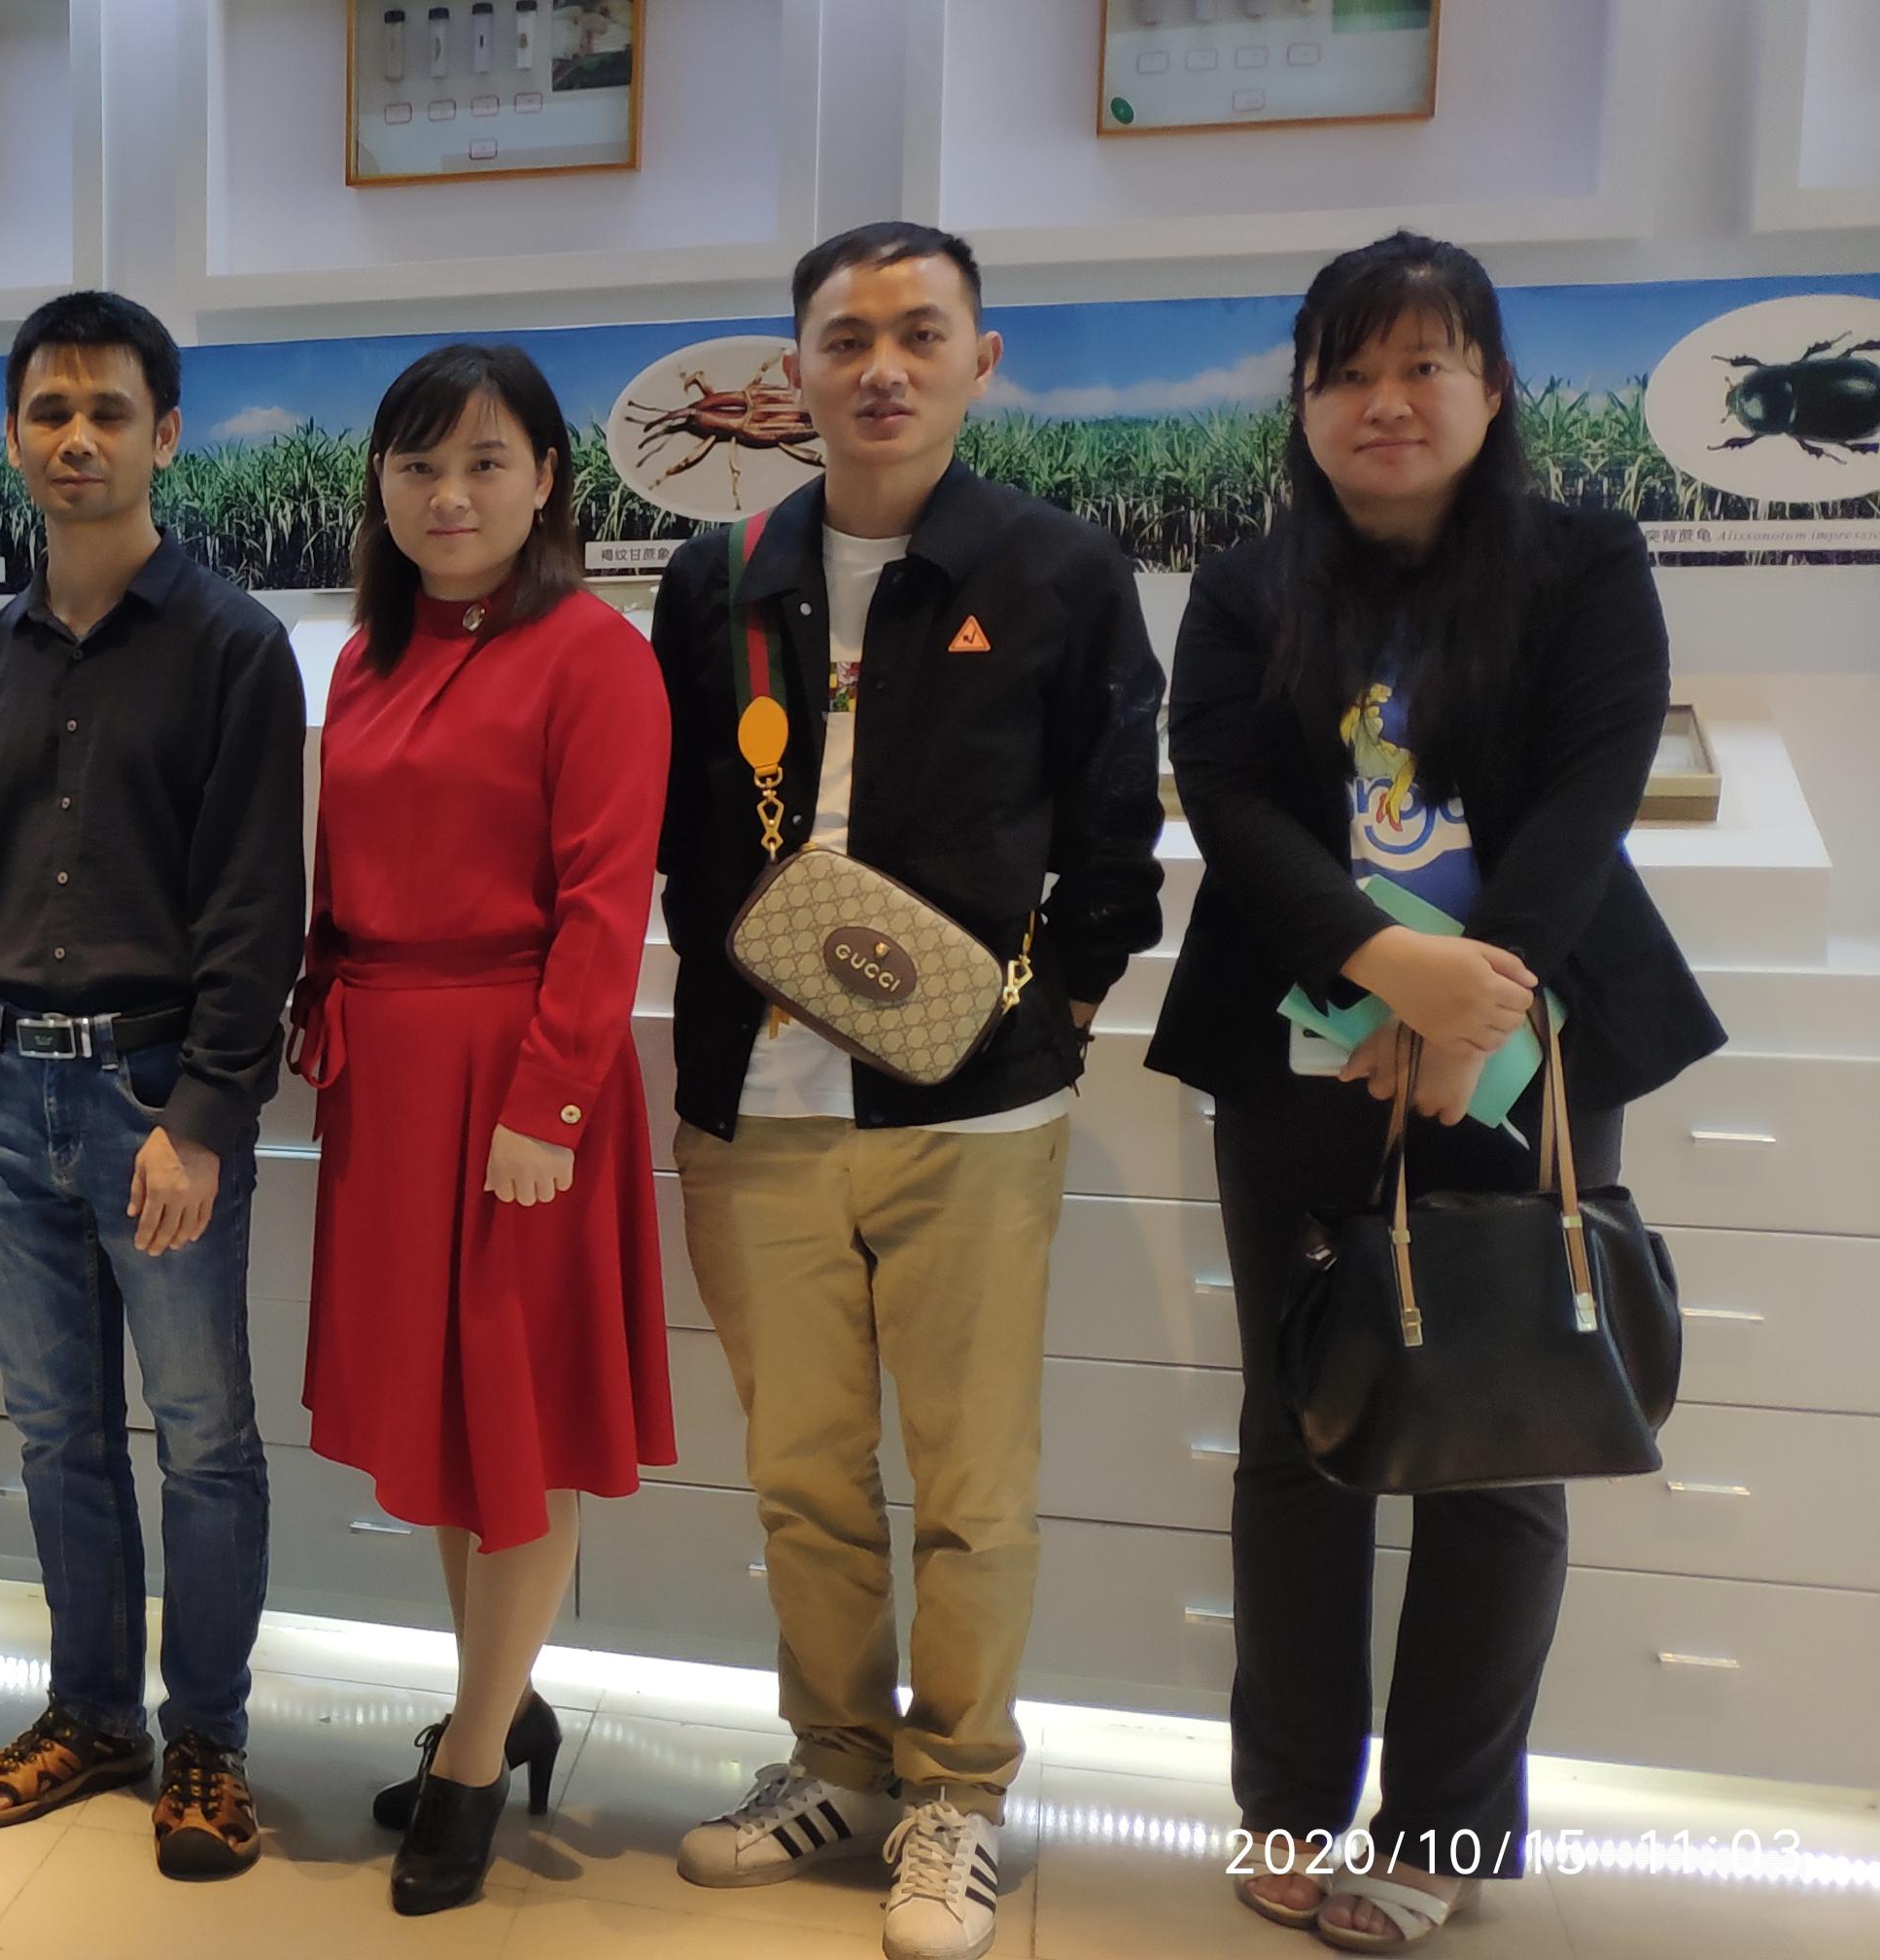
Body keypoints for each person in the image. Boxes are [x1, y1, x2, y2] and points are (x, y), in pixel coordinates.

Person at [1152, 231, 1722, 1954]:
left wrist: (1480, 1002)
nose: (1384, 403)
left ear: (1491, 386)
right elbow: (1228, 797)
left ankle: (1442, 1835)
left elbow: (1592, 787)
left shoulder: (1581, 561)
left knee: (1497, 1437)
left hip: (1533, 1045)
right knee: (1296, 1432)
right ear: (1304, 401)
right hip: (1300, 1039)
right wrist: (1387, 970)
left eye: (1424, 365)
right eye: (1346, 373)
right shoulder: (1249, 584)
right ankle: (1289, 1807)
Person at [646, 222, 1166, 1960]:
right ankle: (834, 1761)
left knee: (971, 1482)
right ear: (793, 367)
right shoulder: (719, 575)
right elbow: (682, 834)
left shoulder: (1058, 570)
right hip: (755, 1104)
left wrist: (1051, 1024)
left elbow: (1113, 840)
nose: (881, 367)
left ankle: (958, 1793)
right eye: (846, 336)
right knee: (798, 1471)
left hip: (975, 1112)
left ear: (978, 360)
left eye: (919, 334)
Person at [0, 292, 304, 1876]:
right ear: (13, 439)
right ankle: (91, 1714)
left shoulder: (233, 649)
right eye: (50, 411)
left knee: (202, 1434)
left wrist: (203, 1119)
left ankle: (206, 1738)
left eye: (109, 411)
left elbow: (258, 906)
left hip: (154, 1099)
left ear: (166, 435)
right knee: (58, 1433)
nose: (78, 438)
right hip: (5, 1102)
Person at [293, 341, 674, 1915]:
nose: (449, 495)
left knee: (515, 1418)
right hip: (389, 1080)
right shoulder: (364, 661)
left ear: (547, 481)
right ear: (381, 488)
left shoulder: (594, 655)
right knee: (440, 1426)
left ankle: (469, 1764)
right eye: (418, 466)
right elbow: (340, 870)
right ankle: (498, 1706)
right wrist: (318, 1006)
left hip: (522, 1073)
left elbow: (606, 901)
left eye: (485, 462)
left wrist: (552, 1101)